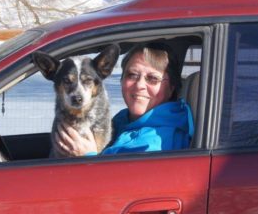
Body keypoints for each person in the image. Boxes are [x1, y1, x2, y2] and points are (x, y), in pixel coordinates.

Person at [54, 42, 194, 156]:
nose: (139, 85)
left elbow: (126, 189)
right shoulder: (122, 121)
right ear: (122, 80)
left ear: (171, 88)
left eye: (152, 78)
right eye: (132, 75)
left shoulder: (159, 142)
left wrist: (88, 157)